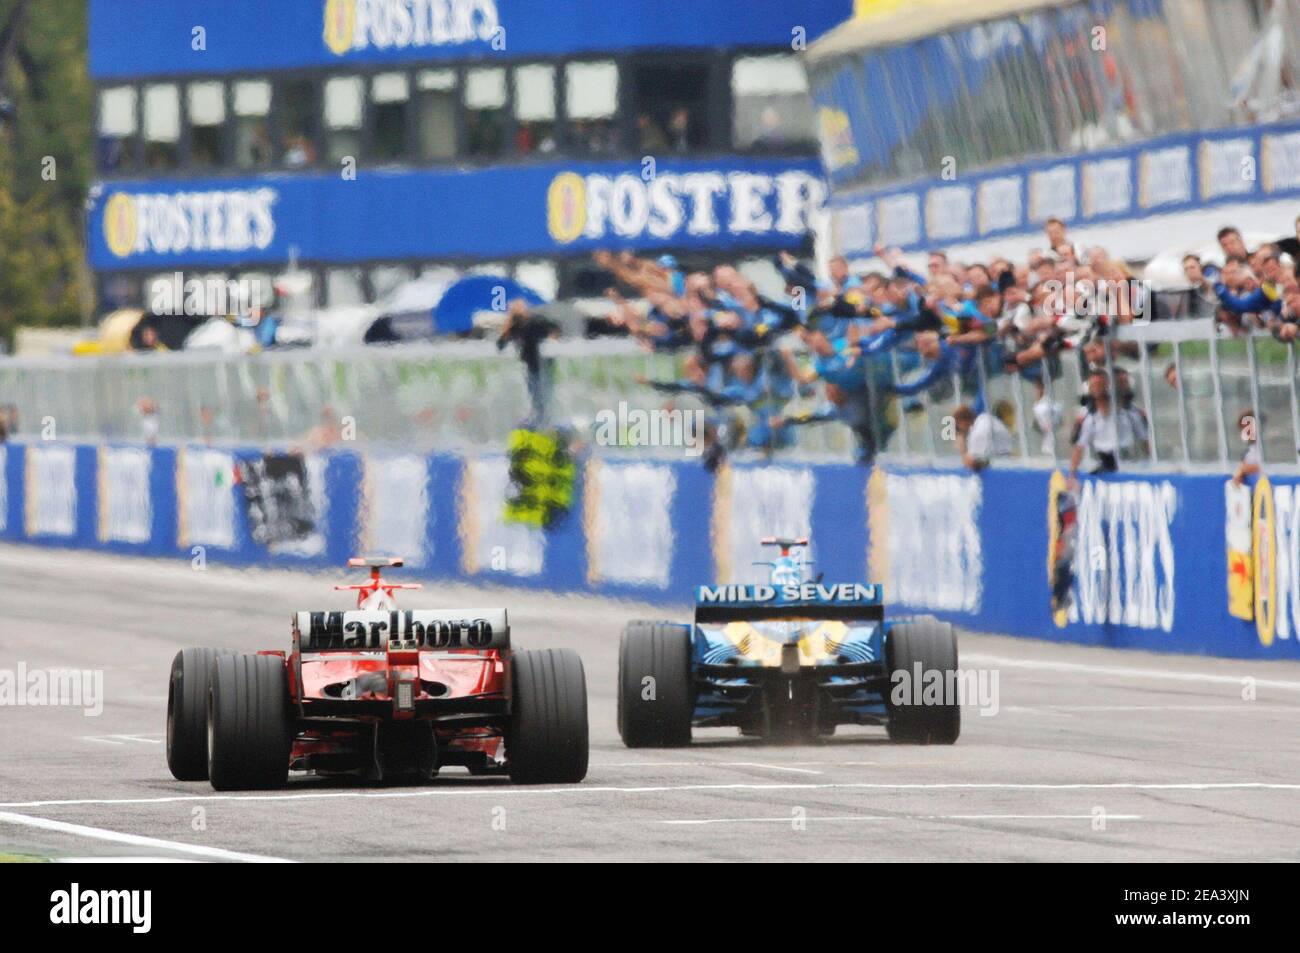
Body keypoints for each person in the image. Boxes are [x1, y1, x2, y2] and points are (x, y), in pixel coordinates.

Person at [498, 299, 560, 424]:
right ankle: (539, 421)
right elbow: (500, 344)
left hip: (544, 365)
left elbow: (555, 328)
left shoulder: (537, 321)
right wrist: (508, 323)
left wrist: (552, 337)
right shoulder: (515, 327)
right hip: (530, 366)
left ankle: (546, 422)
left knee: (544, 397)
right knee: (536, 398)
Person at [1069, 370, 1139, 479]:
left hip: (1129, 462)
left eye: (1100, 385)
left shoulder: (1130, 412)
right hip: (1104, 461)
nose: (1097, 389)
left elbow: (1145, 440)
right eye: (1094, 386)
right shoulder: (1089, 416)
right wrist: (1072, 475)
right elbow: (1079, 446)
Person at [953, 404, 1011, 471]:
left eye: (958, 428)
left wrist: (963, 449)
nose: (959, 431)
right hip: (1005, 461)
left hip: (997, 468)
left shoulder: (978, 433)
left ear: (963, 423)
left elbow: (971, 463)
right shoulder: (985, 419)